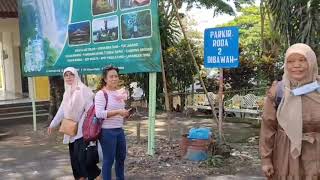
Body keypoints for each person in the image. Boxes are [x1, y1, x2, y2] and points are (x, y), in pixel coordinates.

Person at [259, 43, 320, 179]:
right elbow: (268, 128)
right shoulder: (279, 91)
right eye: (291, 61)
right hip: (286, 156)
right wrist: (266, 159)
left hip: (316, 155)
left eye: (302, 60)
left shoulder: (318, 88)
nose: (296, 65)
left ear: (311, 62)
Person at [47, 67, 101, 180]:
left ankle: (95, 176)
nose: (68, 77)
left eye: (71, 74)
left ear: (76, 75)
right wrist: (52, 124)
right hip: (70, 131)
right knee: (75, 161)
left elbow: (90, 111)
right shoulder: (67, 92)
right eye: (66, 75)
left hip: (82, 132)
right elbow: (62, 110)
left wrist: (81, 123)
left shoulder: (83, 90)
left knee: (83, 160)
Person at [95, 66, 130, 180]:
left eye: (116, 76)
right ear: (105, 79)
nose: (114, 78)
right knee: (108, 160)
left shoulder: (119, 93)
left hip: (119, 130)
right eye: (111, 76)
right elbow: (99, 113)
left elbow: (119, 112)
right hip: (107, 131)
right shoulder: (101, 94)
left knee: (121, 158)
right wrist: (118, 112)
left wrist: (125, 113)